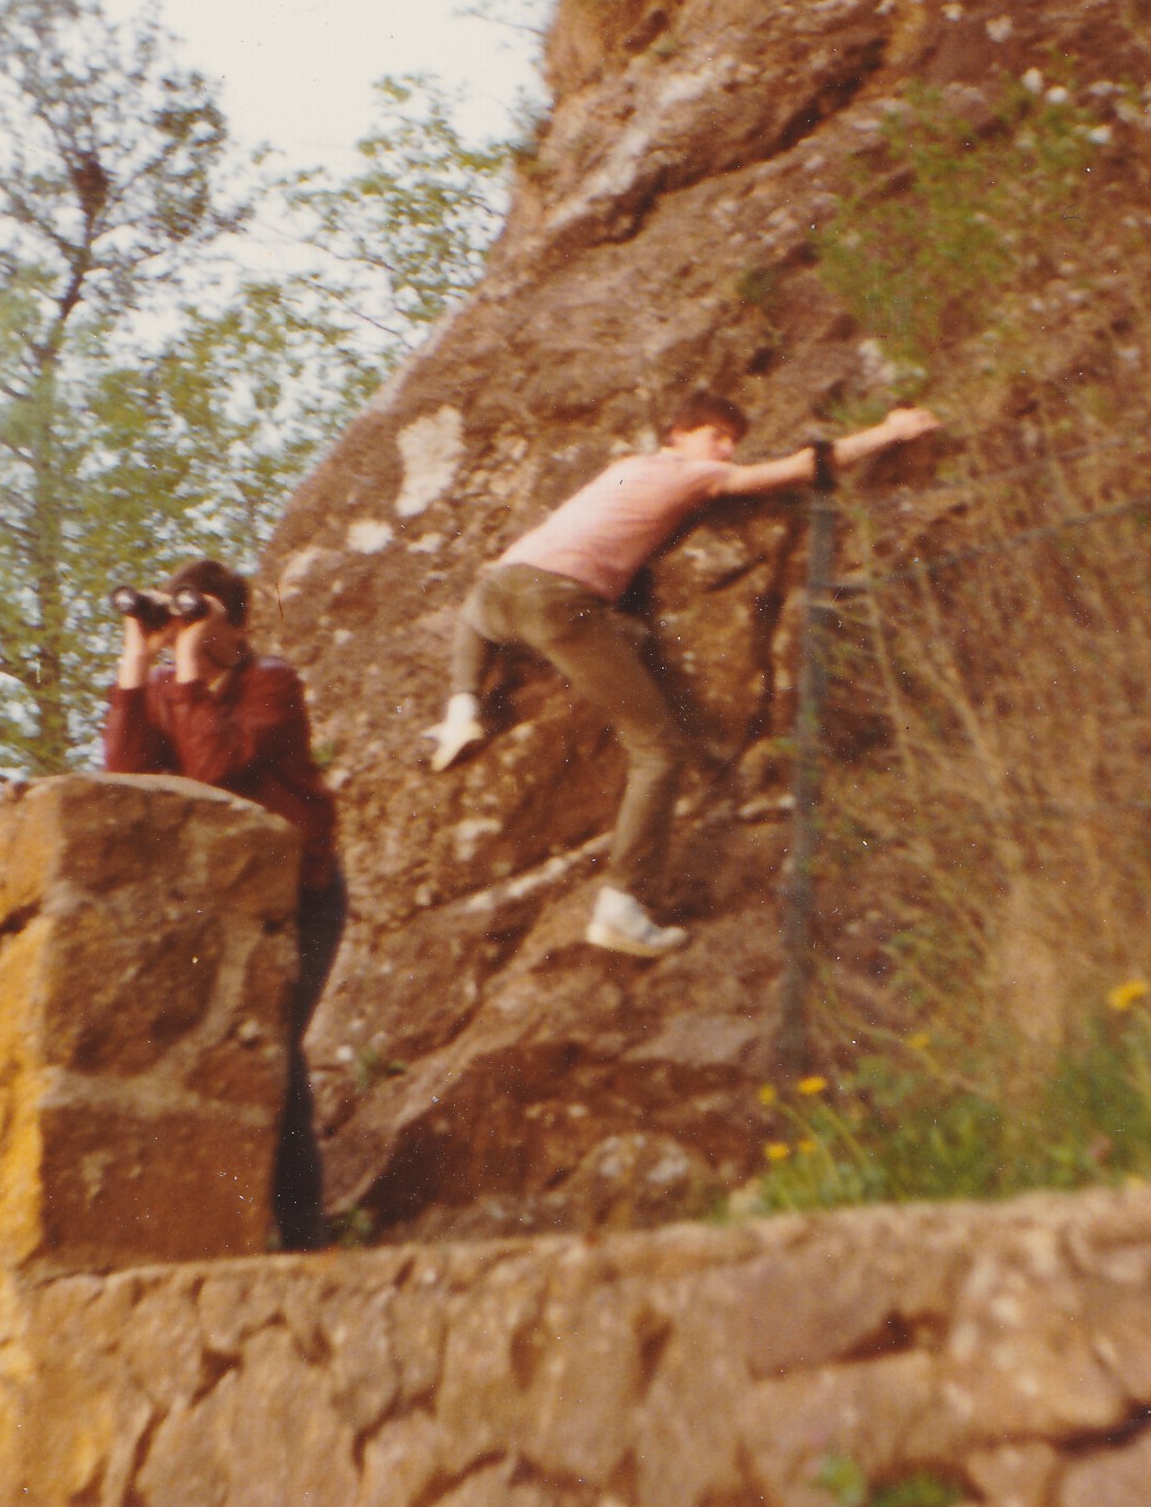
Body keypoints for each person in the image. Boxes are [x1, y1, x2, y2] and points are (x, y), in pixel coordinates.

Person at [429, 392, 940, 955]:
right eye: (715, 436)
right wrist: (889, 431)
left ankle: (461, 712)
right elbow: (800, 468)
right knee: (658, 750)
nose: (726, 451)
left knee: (475, 615)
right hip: (556, 601)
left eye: (733, 442)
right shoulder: (692, 474)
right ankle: (622, 907)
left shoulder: (627, 467)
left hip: (501, 585)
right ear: (678, 436)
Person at [102, 556, 346, 1251]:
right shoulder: (165, 689)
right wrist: (137, 656)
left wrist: (184, 664)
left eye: (205, 620)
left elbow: (214, 768)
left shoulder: (270, 682)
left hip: (302, 896)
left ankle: (301, 1235)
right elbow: (124, 771)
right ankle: (269, 1229)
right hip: (227, 904)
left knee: (276, 1051)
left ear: (238, 628)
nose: (193, 636)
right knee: (240, 1053)